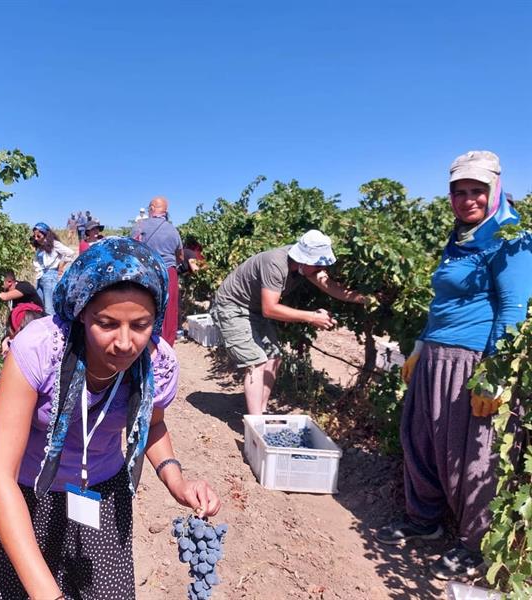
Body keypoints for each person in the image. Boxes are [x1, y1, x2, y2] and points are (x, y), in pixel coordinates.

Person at [0, 237, 221, 600]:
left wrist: (177, 482)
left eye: (141, 325)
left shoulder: (157, 366)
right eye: (106, 323)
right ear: (83, 311)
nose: (124, 342)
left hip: (98, 487)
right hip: (19, 488)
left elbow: (153, 424)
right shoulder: (40, 350)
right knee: (14, 588)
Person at [375, 151, 532, 579]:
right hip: (437, 358)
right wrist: (421, 345)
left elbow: (514, 309)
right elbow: (441, 301)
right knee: (422, 439)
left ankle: (475, 544)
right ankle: (423, 520)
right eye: (459, 192)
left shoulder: (510, 237)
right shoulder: (461, 238)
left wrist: (495, 376)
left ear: (494, 190)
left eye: (477, 191)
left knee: (473, 455)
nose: (467, 200)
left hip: (474, 361)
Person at [211, 230, 372, 415]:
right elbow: (270, 309)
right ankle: (255, 425)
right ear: (303, 260)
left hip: (254, 309)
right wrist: (312, 317)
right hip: (232, 306)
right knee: (255, 362)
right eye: (318, 265)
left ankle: (260, 413)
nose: (322, 270)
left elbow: (331, 287)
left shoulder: (308, 267)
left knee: (274, 358)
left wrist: (366, 299)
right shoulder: (275, 264)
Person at [0, 302, 44, 428]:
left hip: (4, 426)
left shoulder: (14, 353)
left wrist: (4, 354)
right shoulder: (46, 352)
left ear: (14, 329)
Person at [131, 197, 183, 346]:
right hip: (168, 271)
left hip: (147, 270)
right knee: (169, 308)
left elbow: (131, 248)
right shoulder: (173, 230)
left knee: (145, 303)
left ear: (152, 208)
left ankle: (144, 341)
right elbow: (180, 255)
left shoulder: (139, 226)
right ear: (165, 211)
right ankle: (166, 345)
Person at [31, 222, 76, 315]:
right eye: (34, 236)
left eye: (38, 236)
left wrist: (62, 263)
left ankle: (53, 328)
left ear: (45, 234)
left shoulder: (55, 244)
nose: (36, 238)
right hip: (41, 277)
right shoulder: (40, 247)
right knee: (40, 305)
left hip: (50, 276)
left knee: (49, 308)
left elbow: (70, 253)